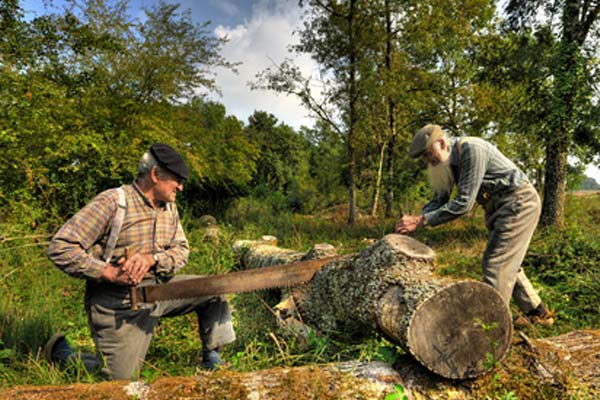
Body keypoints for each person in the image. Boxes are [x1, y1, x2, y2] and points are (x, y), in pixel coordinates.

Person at [47, 143, 236, 380]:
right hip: (119, 303)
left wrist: (152, 259)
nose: (181, 186)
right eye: (176, 179)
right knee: (118, 383)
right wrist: (108, 272)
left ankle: (212, 359)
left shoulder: (170, 208)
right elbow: (60, 247)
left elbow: (182, 250)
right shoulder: (113, 202)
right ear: (156, 175)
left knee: (214, 289)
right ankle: (62, 353)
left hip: (159, 290)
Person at [395, 124, 554, 326]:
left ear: (442, 143)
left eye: (428, 154)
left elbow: (463, 204)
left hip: (518, 202)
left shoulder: (471, 150)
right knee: (507, 261)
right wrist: (415, 220)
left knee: (496, 263)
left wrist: (421, 221)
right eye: (424, 158)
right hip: (498, 208)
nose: (428, 161)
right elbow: (440, 200)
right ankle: (538, 314)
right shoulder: (445, 163)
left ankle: (493, 327)